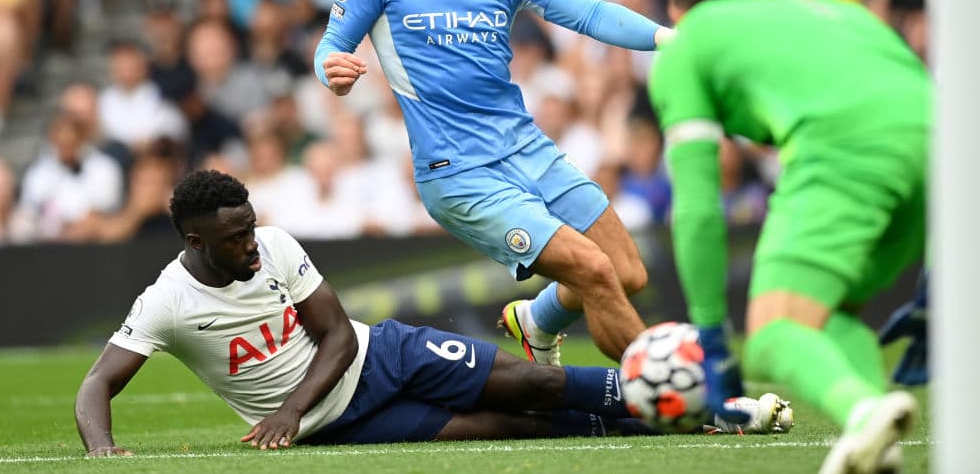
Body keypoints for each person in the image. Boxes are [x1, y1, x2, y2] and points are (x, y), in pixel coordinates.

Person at [73, 169, 793, 455]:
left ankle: (712, 404)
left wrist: (288, 410)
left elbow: (334, 338)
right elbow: (96, 385)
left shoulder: (276, 244)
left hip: (376, 353)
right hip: (345, 424)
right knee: (519, 427)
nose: (251, 244)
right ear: (196, 241)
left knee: (534, 386)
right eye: (234, 238)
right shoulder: (167, 301)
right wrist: (102, 453)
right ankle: (660, 415)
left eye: (251, 226)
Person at [314, 0, 674, 365]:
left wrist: (669, 39)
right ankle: (673, 390)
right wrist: (332, 70)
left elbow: (590, 13)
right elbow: (331, 47)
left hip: (527, 148)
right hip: (458, 172)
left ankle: (537, 319)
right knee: (595, 271)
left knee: (627, 272)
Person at [647, 0, 930, 474]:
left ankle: (864, 412)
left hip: (844, 148)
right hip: (938, 142)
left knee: (771, 336)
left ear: (675, 11)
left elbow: (697, 207)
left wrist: (713, 339)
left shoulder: (687, 43)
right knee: (830, 317)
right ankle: (877, 443)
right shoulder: (820, 11)